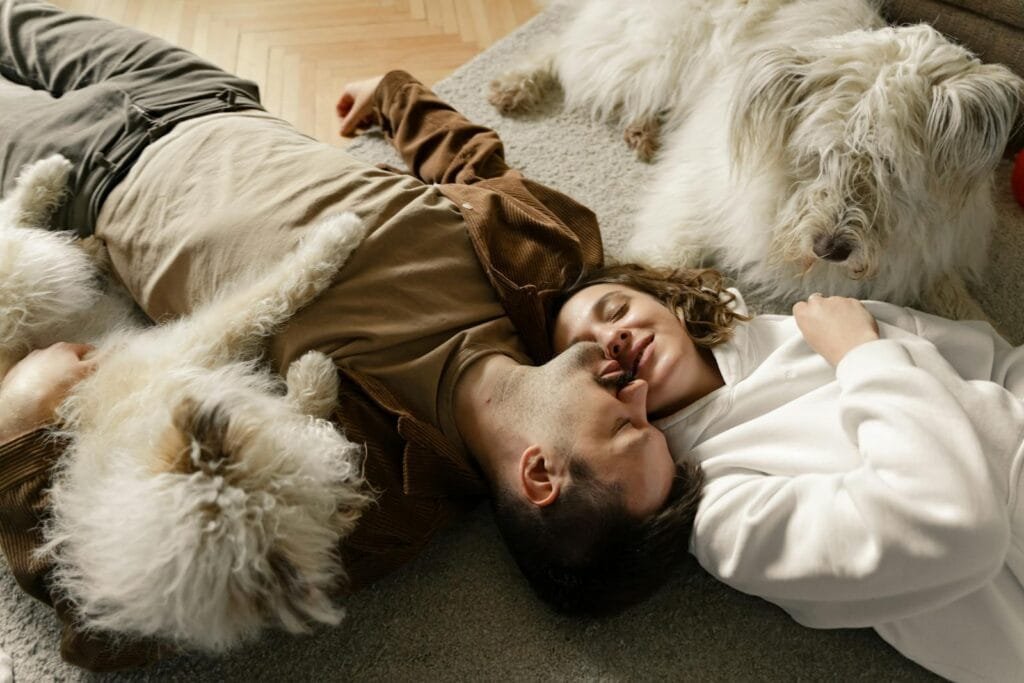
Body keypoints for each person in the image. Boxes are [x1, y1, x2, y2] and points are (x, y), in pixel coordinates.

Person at [0, 0, 702, 670]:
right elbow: (475, 165)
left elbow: (107, 623)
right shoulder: (542, 271)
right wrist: (397, 98)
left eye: (626, 427)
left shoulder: (369, 492)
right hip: (205, 95)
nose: (637, 392)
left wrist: (22, 423)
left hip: (88, 178)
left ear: (541, 473)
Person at [550, 262, 1024, 682]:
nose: (613, 337)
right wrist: (860, 353)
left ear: (665, 300)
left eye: (616, 311)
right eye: (591, 353)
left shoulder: (810, 323)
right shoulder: (720, 511)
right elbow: (952, 527)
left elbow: (996, 363)